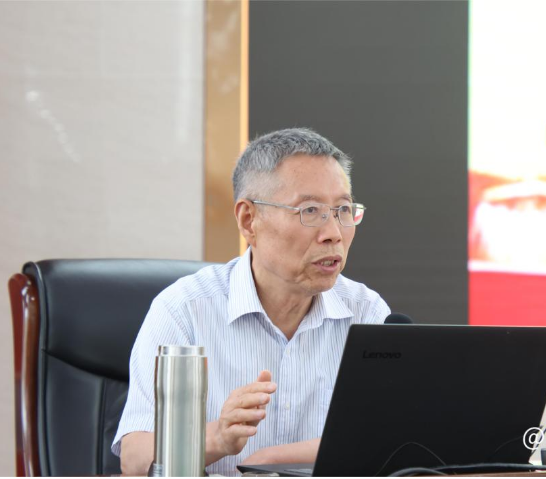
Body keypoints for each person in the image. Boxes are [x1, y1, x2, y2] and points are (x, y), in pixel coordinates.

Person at [112, 128, 390, 476]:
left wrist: (269, 461)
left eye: (343, 210)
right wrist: (217, 437)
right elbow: (134, 459)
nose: (333, 232)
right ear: (249, 220)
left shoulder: (367, 313)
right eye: (310, 210)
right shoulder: (184, 310)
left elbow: (390, 445)